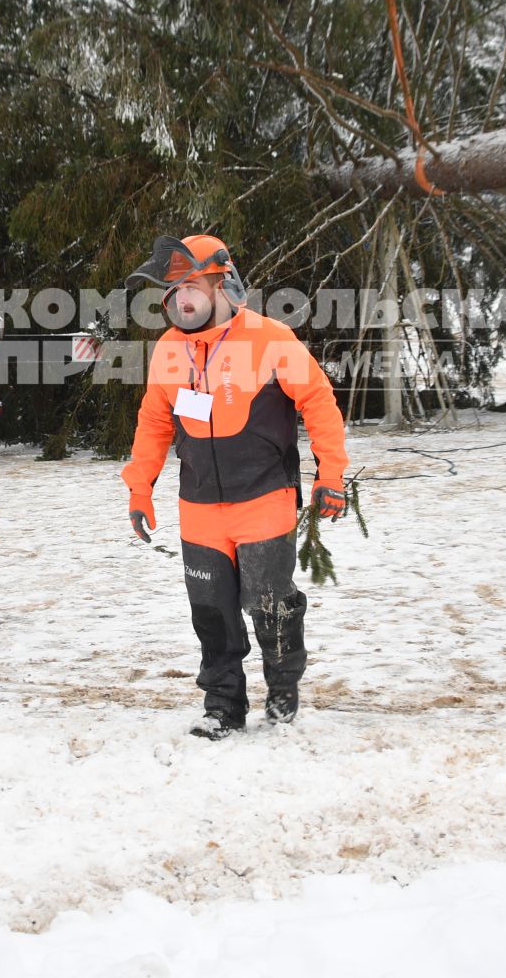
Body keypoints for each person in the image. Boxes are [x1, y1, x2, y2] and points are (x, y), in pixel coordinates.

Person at [120, 235, 350, 739]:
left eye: (191, 285)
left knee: (269, 603)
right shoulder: (168, 349)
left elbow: (318, 401)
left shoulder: (269, 339)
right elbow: (154, 422)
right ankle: (223, 705)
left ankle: (283, 686)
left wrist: (330, 475)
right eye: (171, 290)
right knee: (211, 612)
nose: (180, 299)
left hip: (263, 497)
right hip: (199, 504)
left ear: (222, 283)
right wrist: (140, 489)